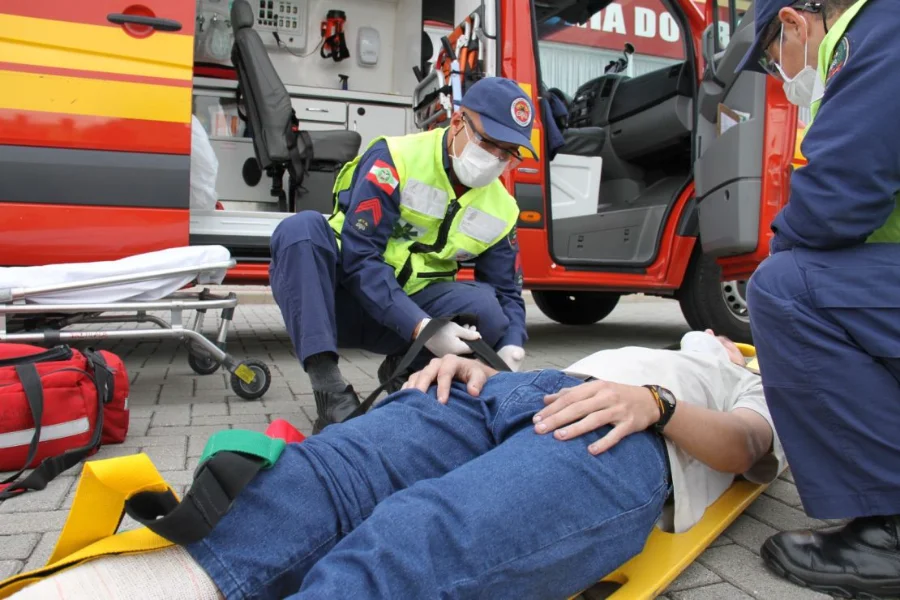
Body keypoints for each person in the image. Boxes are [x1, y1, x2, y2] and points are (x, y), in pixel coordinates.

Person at [8, 330, 785, 600]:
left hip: (627, 436)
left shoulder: (774, 377)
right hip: (514, 395)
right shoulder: (682, 338)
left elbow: (751, 449)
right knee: (319, 478)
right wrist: (484, 373)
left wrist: (660, 404)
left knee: (416, 538)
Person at [735, 0, 900, 596]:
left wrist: (780, 320)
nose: (783, 77)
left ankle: (889, 535)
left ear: (793, 24)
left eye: (775, 60)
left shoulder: (875, 32)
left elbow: (838, 195)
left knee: (784, 290)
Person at [269, 76, 534, 433]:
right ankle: (330, 392)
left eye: (508, 154)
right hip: (341, 301)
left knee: (490, 309)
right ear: (457, 123)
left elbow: (506, 292)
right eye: (488, 144)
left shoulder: (502, 209)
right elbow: (360, 257)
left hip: (408, 314)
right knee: (299, 231)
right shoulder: (396, 158)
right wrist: (421, 326)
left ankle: (406, 373)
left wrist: (512, 345)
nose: (496, 160)